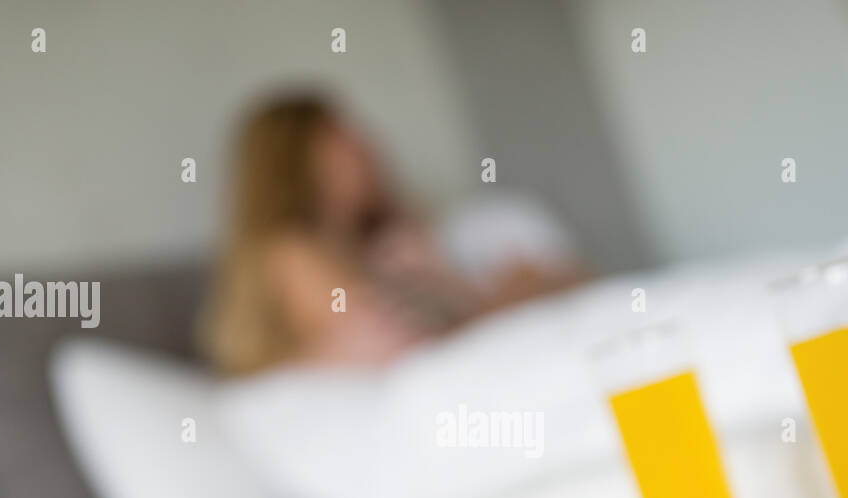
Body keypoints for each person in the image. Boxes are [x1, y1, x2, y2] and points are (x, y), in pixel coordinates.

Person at [200, 94, 583, 375]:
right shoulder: (292, 252)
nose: (371, 153)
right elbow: (403, 344)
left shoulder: (366, 248)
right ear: (299, 161)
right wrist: (502, 295)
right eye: (347, 142)